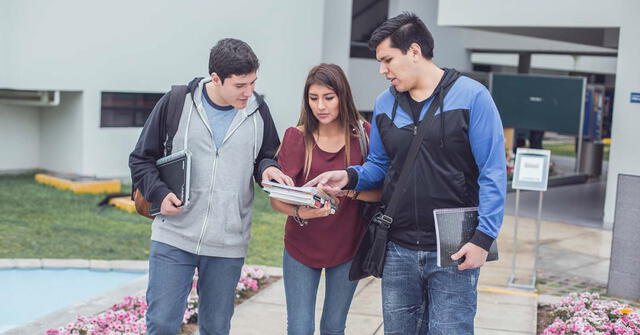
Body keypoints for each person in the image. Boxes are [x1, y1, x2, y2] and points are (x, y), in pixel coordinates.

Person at [305, 13, 507, 334]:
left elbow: (493, 174)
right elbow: (379, 167)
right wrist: (346, 177)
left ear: (414, 52)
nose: (382, 70)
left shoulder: (473, 97)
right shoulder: (386, 103)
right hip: (397, 248)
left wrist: (483, 239)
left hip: (454, 248)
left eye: (387, 59)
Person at [129, 38, 292, 335]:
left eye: (253, 82)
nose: (248, 92)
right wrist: (160, 194)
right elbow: (141, 159)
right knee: (162, 323)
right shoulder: (177, 103)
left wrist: (269, 168)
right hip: (174, 237)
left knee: (216, 328)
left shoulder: (258, 111)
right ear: (216, 79)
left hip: (227, 243)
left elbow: (266, 154)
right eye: (240, 85)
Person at [269, 63, 381, 335]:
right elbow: (276, 199)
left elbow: (380, 191)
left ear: (343, 97)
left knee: (333, 327)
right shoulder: (296, 137)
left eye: (328, 98)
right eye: (313, 98)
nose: (321, 106)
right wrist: (301, 212)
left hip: (348, 246)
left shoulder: (364, 134)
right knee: (299, 328)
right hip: (301, 245)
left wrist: (348, 191)